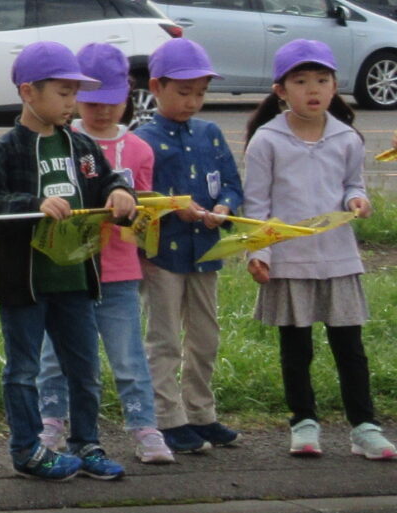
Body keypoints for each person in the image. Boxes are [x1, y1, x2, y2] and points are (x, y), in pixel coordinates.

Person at [0, 39, 139, 482]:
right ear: (28, 92)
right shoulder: (6, 149)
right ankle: (27, 450)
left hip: (75, 279)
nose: (71, 103)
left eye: (74, 93)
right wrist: (32, 204)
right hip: (23, 282)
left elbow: (109, 180)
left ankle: (87, 444)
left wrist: (121, 193)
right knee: (23, 370)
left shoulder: (81, 147)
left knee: (85, 369)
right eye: (63, 92)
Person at [242, 41, 387, 460]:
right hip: (289, 261)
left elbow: (353, 185)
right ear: (280, 90)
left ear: (334, 86)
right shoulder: (267, 140)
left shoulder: (347, 138)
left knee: (350, 348)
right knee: (296, 349)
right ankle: (303, 423)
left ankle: (364, 427)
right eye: (301, 81)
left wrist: (358, 200)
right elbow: (257, 205)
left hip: (339, 258)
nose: (313, 89)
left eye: (322, 80)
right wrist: (259, 254)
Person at [36, 43, 167, 464]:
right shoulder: (58, 141)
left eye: (112, 101)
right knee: (55, 356)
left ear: (127, 96)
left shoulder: (140, 150)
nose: (103, 111)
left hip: (119, 271)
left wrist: (135, 214)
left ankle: (145, 427)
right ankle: (51, 422)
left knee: (128, 356)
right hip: (68, 270)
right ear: (75, 96)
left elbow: (146, 213)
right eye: (92, 101)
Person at [133, 36, 245, 454]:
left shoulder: (210, 133)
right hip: (162, 255)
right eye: (183, 92)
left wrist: (224, 207)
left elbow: (232, 184)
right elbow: (136, 197)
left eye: (200, 93)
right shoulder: (142, 139)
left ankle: (201, 413)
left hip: (207, 253)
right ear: (156, 87)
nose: (192, 102)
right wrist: (171, 207)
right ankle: (167, 418)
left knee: (205, 336)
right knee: (164, 338)